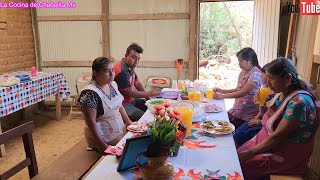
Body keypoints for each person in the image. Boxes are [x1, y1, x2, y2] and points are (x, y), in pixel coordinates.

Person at [237, 57, 319, 180]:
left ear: (287, 78)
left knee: (241, 167)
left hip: (285, 153)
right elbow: (269, 119)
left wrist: (249, 154)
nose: (268, 83)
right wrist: (261, 104)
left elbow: (277, 137)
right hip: (267, 142)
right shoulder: (281, 93)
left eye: (271, 79)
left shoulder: (299, 102)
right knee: (235, 155)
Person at [78, 57, 132, 153]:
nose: (112, 74)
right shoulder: (90, 93)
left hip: (119, 133)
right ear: (95, 73)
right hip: (104, 139)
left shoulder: (112, 84)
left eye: (113, 70)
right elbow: (91, 122)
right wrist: (102, 145)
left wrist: (128, 122)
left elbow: (119, 105)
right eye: (107, 71)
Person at [213, 47, 263, 128]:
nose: (239, 64)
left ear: (250, 61)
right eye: (238, 61)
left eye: (241, 61)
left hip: (247, 113)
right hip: (237, 110)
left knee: (222, 126)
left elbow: (242, 92)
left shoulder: (256, 74)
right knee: (218, 120)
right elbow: (238, 89)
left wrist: (222, 96)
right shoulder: (243, 72)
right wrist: (222, 90)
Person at [114, 43, 160, 121]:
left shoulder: (129, 66)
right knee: (146, 118)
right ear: (126, 56)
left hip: (130, 101)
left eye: (139, 59)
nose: (136, 62)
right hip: (122, 105)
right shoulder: (122, 71)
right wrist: (149, 93)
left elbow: (137, 83)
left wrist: (148, 98)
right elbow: (129, 93)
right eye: (134, 58)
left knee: (155, 109)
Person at [234, 64, 275, 147]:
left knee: (240, 135)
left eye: (263, 74)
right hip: (260, 118)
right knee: (236, 132)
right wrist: (257, 116)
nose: (261, 76)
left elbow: (273, 117)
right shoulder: (264, 88)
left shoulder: (275, 93)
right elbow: (262, 110)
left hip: (265, 125)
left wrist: (258, 121)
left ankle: (239, 152)